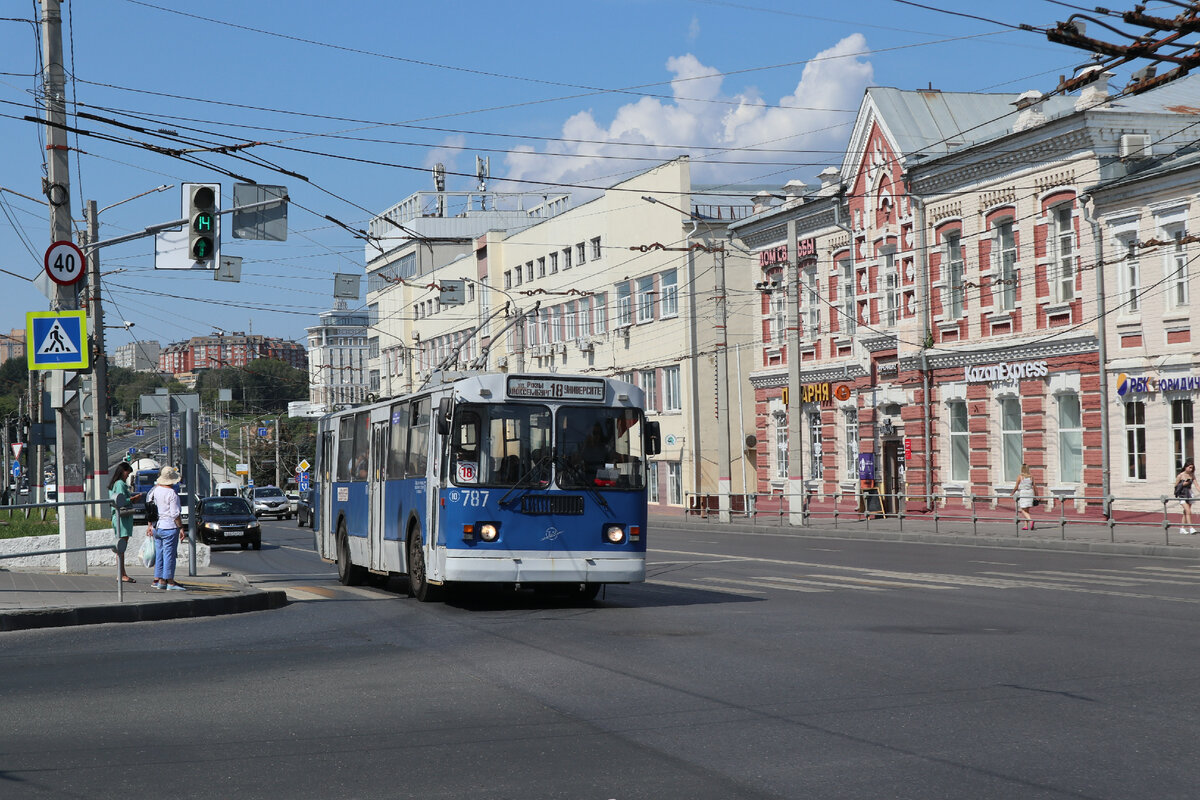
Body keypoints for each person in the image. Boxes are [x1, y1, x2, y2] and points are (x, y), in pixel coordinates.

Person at [146, 465, 187, 590]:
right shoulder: (172, 494)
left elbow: (149, 506)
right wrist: (181, 527)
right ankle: (170, 582)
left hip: (157, 526)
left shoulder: (155, 490)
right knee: (169, 555)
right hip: (169, 526)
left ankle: (159, 580)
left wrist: (150, 525)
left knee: (160, 553)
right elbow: (175, 514)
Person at [107, 462, 144, 583]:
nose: (128, 476)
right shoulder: (120, 484)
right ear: (123, 471)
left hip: (119, 517)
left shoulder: (115, 484)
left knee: (121, 546)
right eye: (127, 473)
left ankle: (122, 573)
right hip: (122, 518)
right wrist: (133, 499)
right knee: (121, 547)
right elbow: (120, 500)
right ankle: (121, 574)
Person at [1011, 464, 1036, 531]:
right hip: (1030, 493)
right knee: (1027, 509)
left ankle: (1031, 521)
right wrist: (1036, 495)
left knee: (1022, 509)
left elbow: (1016, 486)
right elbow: (1034, 486)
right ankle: (1025, 525)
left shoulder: (1020, 477)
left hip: (1023, 493)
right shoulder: (1031, 477)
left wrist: (1012, 493)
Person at [1175, 459, 1197, 535]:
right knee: (1188, 511)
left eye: (1192, 468)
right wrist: (1183, 484)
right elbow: (1176, 486)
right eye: (1190, 467)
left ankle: (1182, 528)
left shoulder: (1192, 475)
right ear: (1185, 467)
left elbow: (1197, 485)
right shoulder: (1180, 475)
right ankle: (1191, 528)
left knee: (1185, 512)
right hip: (1182, 494)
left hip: (1189, 493)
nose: (1191, 469)